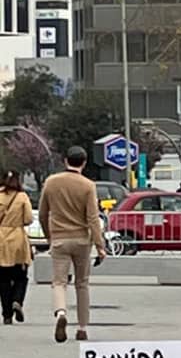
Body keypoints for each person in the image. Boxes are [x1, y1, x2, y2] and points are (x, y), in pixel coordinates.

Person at [38, 147, 105, 344]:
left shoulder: (51, 182)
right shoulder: (88, 185)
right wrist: (100, 245)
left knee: (59, 282)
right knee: (82, 284)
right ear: (84, 162)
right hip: (82, 240)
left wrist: (49, 236)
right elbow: (93, 218)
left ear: (65, 160)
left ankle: (61, 313)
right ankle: (82, 327)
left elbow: (42, 214)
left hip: (59, 239)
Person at [0, 171, 31, 325]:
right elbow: (28, 219)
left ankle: (7, 314)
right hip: (18, 238)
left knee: (3, 279)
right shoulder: (22, 197)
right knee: (21, 276)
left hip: (1, 238)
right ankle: (17, 300)